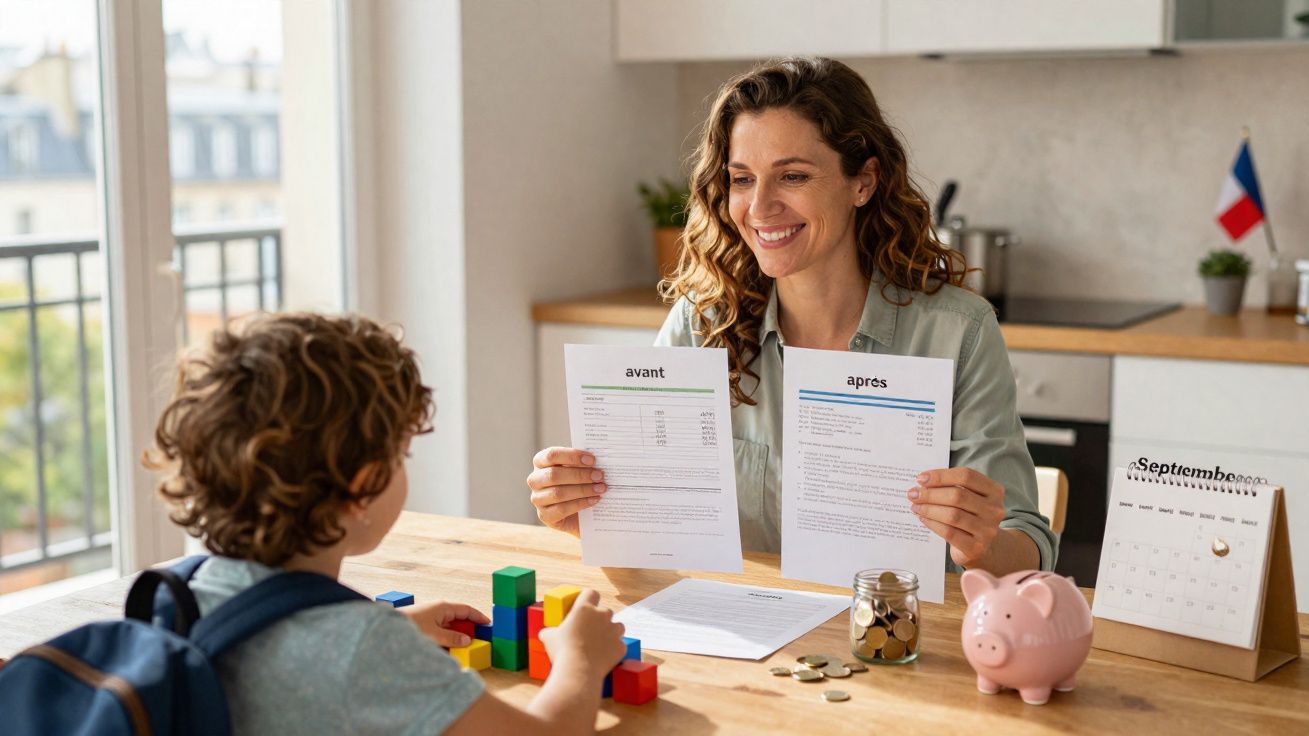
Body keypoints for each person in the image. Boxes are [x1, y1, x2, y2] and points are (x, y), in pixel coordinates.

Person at [528, 57, 1055, 576]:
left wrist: (981, 543)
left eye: (793, 176)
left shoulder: (958, 332)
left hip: (897, 641)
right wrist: (595, 517)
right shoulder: (702, 324)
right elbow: (654, 540)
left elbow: (1027, 548)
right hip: (743, 640)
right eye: (741, 179)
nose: (759, 207)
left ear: (863, 182)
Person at [149, 313, 625, 735]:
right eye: (402, 454)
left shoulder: (185, 590)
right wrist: (580, 661)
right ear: (363, 487)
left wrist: (385, 628)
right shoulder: (366, 650)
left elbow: (280, 654)